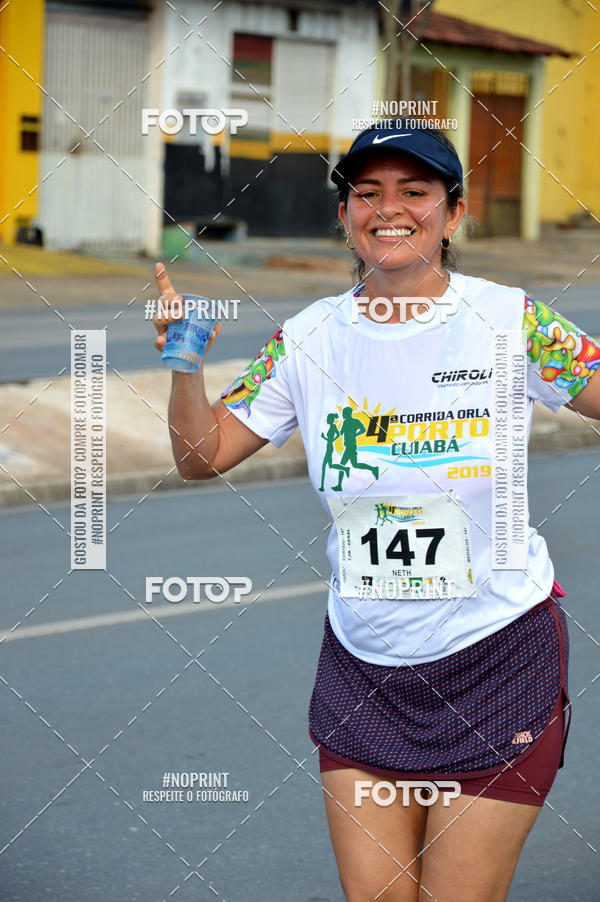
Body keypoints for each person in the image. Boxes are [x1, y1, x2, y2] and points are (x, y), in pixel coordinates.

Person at [152, 121, 600, 902]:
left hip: (496, 656)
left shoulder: (511, 321)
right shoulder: (308, 338)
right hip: (363, 666)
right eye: (367, 193)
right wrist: (185, 365)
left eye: (415, 191)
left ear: (454, 214)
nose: (389, 209)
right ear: (345, 216)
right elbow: (201, 457)